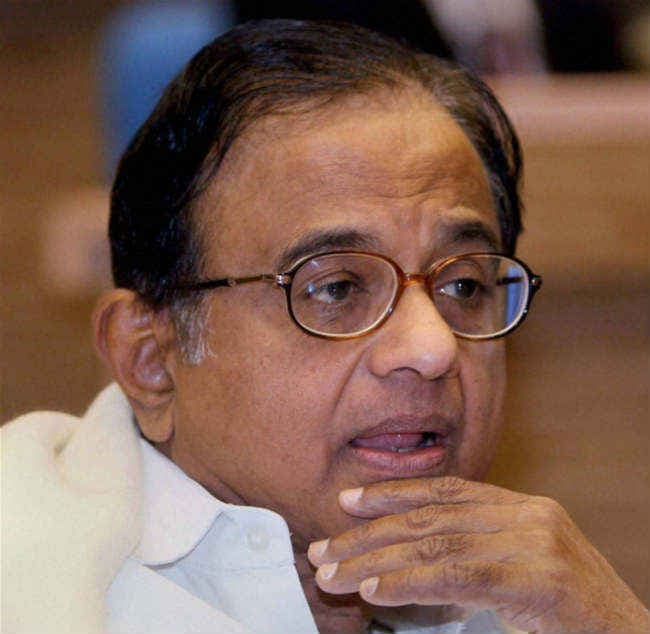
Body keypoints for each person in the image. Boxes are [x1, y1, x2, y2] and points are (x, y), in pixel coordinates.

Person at [2, 19, 648, 634]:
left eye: (463, 286)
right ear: (150, 359)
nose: (432, 348)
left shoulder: (545, 598)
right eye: (335, 288)